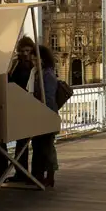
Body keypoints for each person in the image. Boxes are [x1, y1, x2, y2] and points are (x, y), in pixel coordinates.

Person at [0, 36, 36, 183]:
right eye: (22, 51)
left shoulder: (34, 66)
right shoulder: (14, 64)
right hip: (11, 105)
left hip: (25, 107)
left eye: (28, 50)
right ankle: (2, 172)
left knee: (22, 144)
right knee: (0, 140)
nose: (25, 54)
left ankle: (21, 173)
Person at [29, 45, 60, 187]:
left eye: (36, 60)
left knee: (46, 147)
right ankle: (38, 175)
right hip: (38, 114)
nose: (34, 62)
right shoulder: (37, 73)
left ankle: (49, 176)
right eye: (33, 60)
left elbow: (48, 97)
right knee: (38, 146)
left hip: (46, 115)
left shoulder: (47, 74)